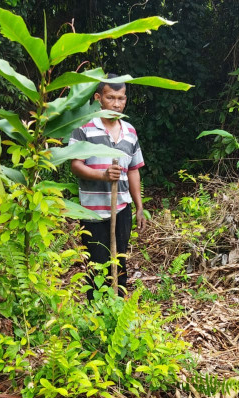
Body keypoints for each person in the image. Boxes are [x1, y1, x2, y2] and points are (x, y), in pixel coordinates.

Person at [70, 75, 146, 299]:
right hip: (91, 211)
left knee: (119, 261)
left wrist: (139, 206)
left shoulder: (130, 131)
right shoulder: (83, 129)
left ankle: (117, 309)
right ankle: (97, 317)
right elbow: (76, 165)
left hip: (122, 208)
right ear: (98, 98)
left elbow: (133, 170)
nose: (116, 103)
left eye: (121, 98)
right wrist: (102, 175)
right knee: (97, 265)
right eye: (110, 97)